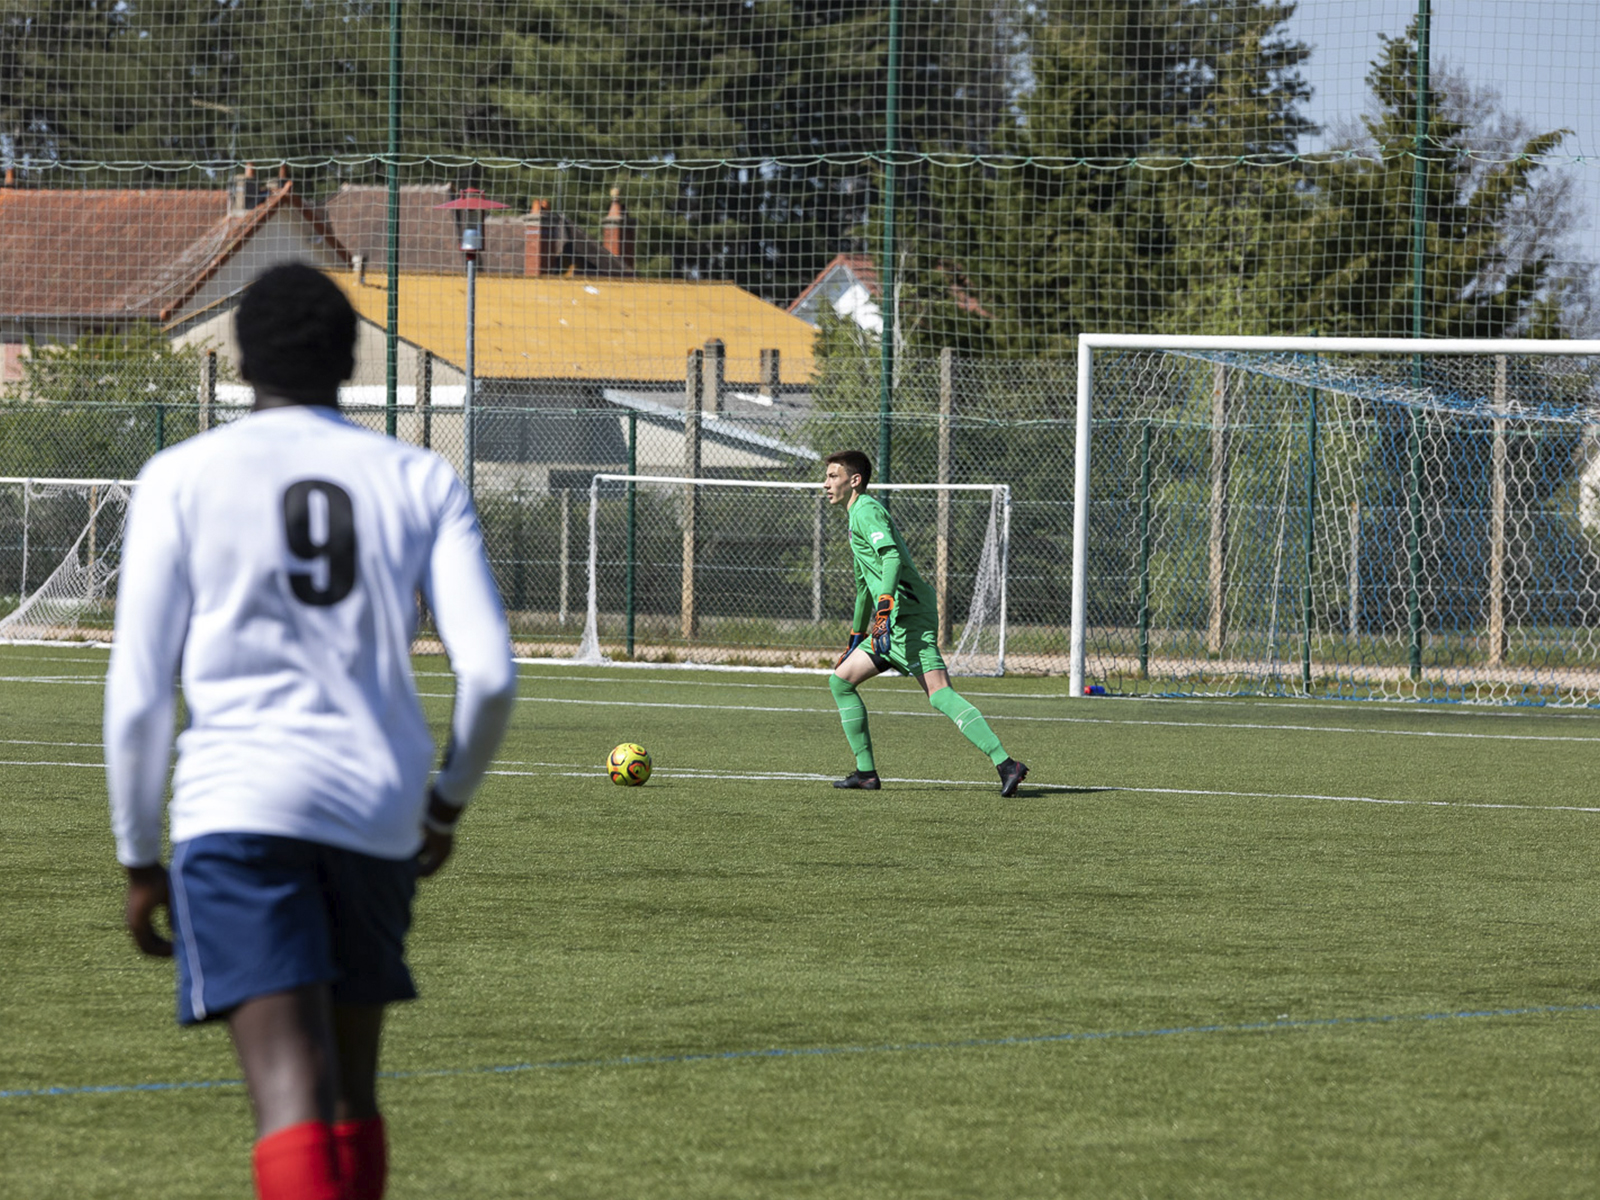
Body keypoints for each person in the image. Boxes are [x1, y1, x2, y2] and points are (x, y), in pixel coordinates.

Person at [104, 262, 517, 1200]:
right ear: (350, 359)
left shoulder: (180, 477)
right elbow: (490, 675)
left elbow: (139, 691)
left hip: (237, 806)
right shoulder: (420, 476)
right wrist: (444, 807)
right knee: (350, 1091)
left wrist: (138, 859)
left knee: (289, 1090)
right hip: (377, 807)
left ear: (242, 362)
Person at [822, 449, 1027, 796]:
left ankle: (1007, 765)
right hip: (890, 621)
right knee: (840, 682)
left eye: (832, 476)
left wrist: (884, 612)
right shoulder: (854, 517)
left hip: (906, 617)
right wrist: (857, 635)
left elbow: (891, 559)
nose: (825, 483)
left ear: (854, 480)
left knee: (939, 693)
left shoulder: (867, 510)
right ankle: (865, 773)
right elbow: (863, 586)